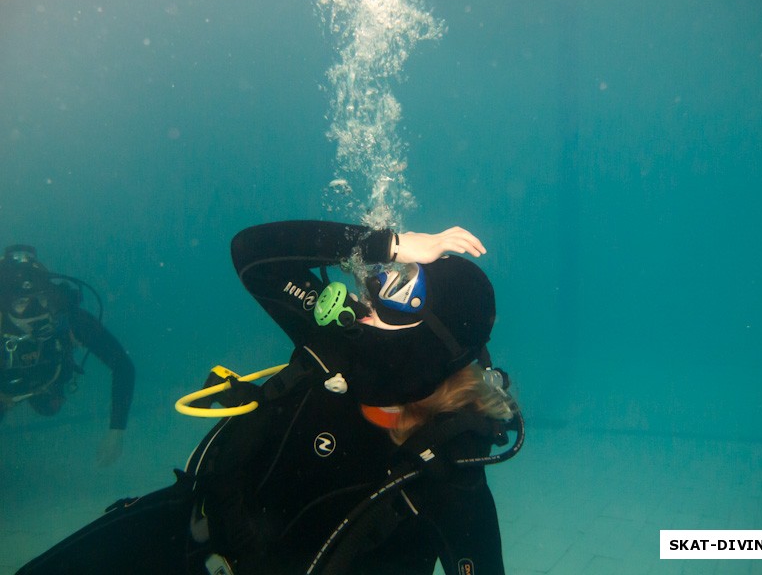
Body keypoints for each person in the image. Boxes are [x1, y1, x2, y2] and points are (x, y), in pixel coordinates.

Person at [16, 221, 523, 575]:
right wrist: (389, 244)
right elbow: (253, 252)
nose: (369, 290)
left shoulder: (446, 478)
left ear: (426, 342)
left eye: (399, 290)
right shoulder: (335, 341)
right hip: (184, 538)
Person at [0, 245, 135, 466]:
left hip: (46, 380)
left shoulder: (67, 318)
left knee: (49, 407)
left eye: (40, 300)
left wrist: (116, 432)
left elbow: (122, 365)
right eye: (23, 303)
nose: (36, 312)